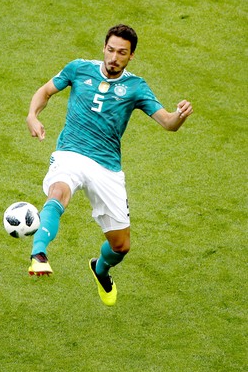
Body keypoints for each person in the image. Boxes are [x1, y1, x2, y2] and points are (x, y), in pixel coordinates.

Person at [25, 24, 193, 306]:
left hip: (107, 167)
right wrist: (32, 115)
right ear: (104, 47)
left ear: (131, 56)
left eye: (122, 53)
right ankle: (39, 253)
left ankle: (100, 269)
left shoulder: (136, 87)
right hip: (71, 153)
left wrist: (179, 115)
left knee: (121, 246)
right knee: (58, 192)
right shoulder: (78, 69)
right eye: (111, 50)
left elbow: (167, 123)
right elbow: (45, 91)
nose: (114, 57)